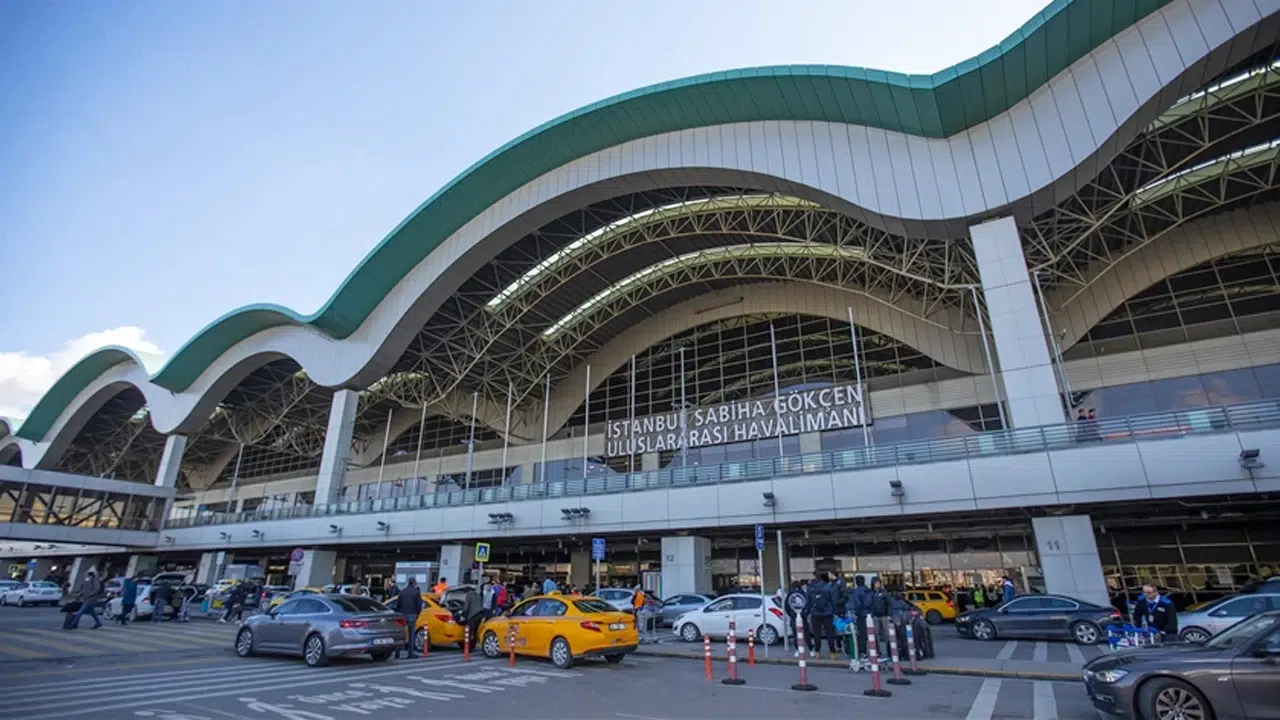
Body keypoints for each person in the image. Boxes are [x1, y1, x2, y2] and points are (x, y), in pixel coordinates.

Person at [805, 572, 837, 659]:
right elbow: (833, 599)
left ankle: (818, 653)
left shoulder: (810, 587)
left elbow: (808, 601)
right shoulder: (828, 586)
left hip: (815, 613)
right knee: (830, 633)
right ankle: (832, 653)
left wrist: (807, 612)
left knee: (816, 634)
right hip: (827, 613)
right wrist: (834, 611)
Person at [396, 577, 424, 658]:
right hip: (412, 614)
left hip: (402, 614)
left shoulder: (402, 592)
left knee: (401, 634)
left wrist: (399, 613)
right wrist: (418, 613)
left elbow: (398, 605)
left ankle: (397, 652)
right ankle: (410, 653)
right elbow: (419, 605)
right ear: (414, 583)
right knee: (411, 635)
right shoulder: (416, 592)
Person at [868, 577, 892, 653]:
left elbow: (889, 604)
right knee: (875, 633)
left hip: (884, 615)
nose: (877, 584)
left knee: (886, 633)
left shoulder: (884, 592)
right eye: (876, 583)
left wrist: (889, 615)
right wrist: (871, 614)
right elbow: (869, 604)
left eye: (879, 583)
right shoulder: (871, 593)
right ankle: (878, 651)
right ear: (873, 584)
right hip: (875, 616)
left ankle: (889, 650)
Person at [461, 584, 484, 651]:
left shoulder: (469, 595)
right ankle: (473, 646)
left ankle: (468, 648)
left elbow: (466, 607)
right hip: (480, 614)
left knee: (469, 631)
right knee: (475, 631)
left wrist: (462, 613)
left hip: (473, 615)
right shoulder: (477, 595)